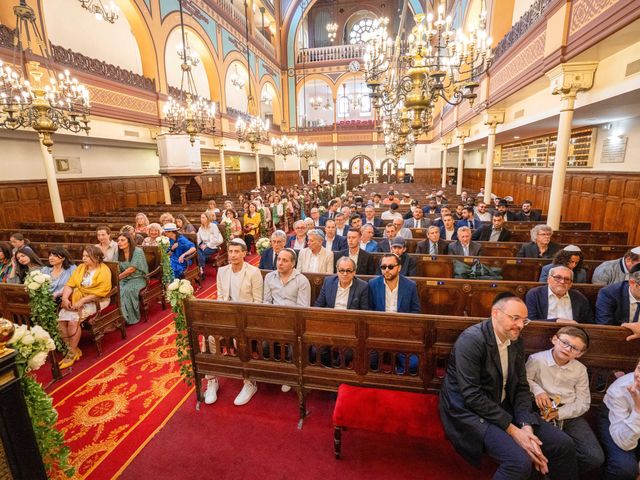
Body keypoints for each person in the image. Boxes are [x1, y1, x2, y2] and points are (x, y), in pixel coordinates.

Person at [439, 295, 579, 479]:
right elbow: (472, 396)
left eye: (524, 320)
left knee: (564, 444)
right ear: (495, 313)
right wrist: (514, 431)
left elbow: (521, 386)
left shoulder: (516, 340)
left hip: (504, 404)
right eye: (515, 319)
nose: (520, 325)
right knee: (518, 462)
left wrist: (526, 425)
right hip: (469, 411)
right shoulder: (471, 340)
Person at [525, 326, 604, 475]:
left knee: (594, 457)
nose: (567, 349)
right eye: (564, 342)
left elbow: (583, 402)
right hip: (540, 410)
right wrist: (538, 390)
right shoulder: (536, 360)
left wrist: (559, 413)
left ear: (580, 353)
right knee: (549, 447)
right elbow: (524, 380)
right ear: (554, 339)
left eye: (574, 348)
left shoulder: (580, 370)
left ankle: (557, 474)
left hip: (568, 413)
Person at [204, 238, 264, 406]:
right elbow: (221, 298)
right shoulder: (222, 271)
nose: (233, 255)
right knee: (209, 338)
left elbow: (258, 302)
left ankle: (249, 382)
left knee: (240, 341)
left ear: (244, 253)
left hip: (247, 320)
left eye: (237, 251)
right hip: (227, 319)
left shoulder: (253, 272)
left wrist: (241, 321)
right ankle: (212, 379)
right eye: (230, 251)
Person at [263, 248, 310, 392]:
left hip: (293, 323)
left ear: (293, 264)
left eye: (285, 260)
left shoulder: (301, 280)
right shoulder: (270, 277)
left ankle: (290, 375)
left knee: (292, 348)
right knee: (264, 345)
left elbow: (303, 308)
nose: (280, 263)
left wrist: (288, 322)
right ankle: (275, 371)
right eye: (278, 259)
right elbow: (266, 302)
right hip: (273, 321)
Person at [58, 246, 112, 369]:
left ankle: (71, 354)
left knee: (73, 321)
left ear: (97, 257)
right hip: (78, 298)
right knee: (61, 320)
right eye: (83, 256)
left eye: (87, 256)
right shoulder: (81, 268)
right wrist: (65, 298)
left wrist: (83, 300)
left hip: (97, 300)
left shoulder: (104, 270)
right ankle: (73, 349)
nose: (84, 258)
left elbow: (102, 291)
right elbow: (70, 284)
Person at [597, 358, 640, 479]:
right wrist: (638, 410)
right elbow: (624, 442)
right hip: (615, 421)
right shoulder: (620, 390)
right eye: (639, 368)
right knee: (623, 468)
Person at [525, 266, 593, 323]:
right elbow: (530, 321)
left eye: (567, 279)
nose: (562, 282)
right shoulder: (535, 294)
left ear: (571, 284)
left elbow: (588, 322)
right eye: (558, 278)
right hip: (542, 334)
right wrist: (556, 321)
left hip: (572, 335)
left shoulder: (579, 298)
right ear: (548, 279)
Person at [116, 232, 149, 325]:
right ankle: (121, 316)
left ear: (129, 241)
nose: (119, 242)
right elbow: (116, 266)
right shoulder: (118, 252)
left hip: (138, 278)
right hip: (124, 278)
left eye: (122, 240)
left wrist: (117, 278)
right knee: (117, 289)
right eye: (118, 240)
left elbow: (132, 269)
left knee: (127, 290)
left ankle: (130, 317)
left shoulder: (137, 251)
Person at [196, 213, 223, 278]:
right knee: (198, 251)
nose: (201, 219)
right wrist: (198, 245)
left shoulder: (213, 226)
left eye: (203, 217)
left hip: (214, 245)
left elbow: (216, 239)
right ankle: (201, 270)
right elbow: (198, 238)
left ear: (207, 218)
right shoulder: (201, 228)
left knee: (199, 252)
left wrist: (207, 245)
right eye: (201, 217)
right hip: (203, 246)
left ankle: (201, 269)